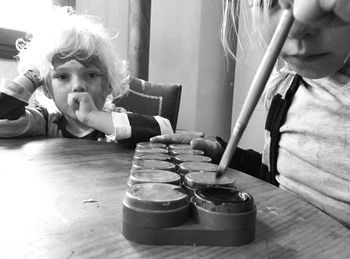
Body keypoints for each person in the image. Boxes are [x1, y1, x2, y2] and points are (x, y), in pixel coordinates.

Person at [151, 0, 350, 227]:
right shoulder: (289, 87)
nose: (296, 28)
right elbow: (281, 179)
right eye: (273, 2)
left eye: (325, 4)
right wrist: (224, 153)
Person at [0, 6, 173, 144]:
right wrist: (33, 75)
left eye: (90, 75)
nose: (77, 86)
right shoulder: (46, 122)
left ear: (108, 85)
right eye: (62, 76)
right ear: (47, 89)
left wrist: (94, 117)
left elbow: (165, 130)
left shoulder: (114, 120)